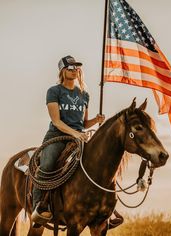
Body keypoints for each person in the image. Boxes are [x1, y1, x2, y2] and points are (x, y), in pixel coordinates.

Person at [32, 55, 105, 223]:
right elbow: (56, 121)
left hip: (78, 137)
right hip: (57, 136)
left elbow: (84, 123)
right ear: (63, 71)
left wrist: (96, 120)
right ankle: (38, 207)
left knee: (97, 164)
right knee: (47, 165)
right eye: (70, 68)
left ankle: (103, 207)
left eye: (76, 67)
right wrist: (75, 133)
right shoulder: (54, 91)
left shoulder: (84, 95)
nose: (74, 70)